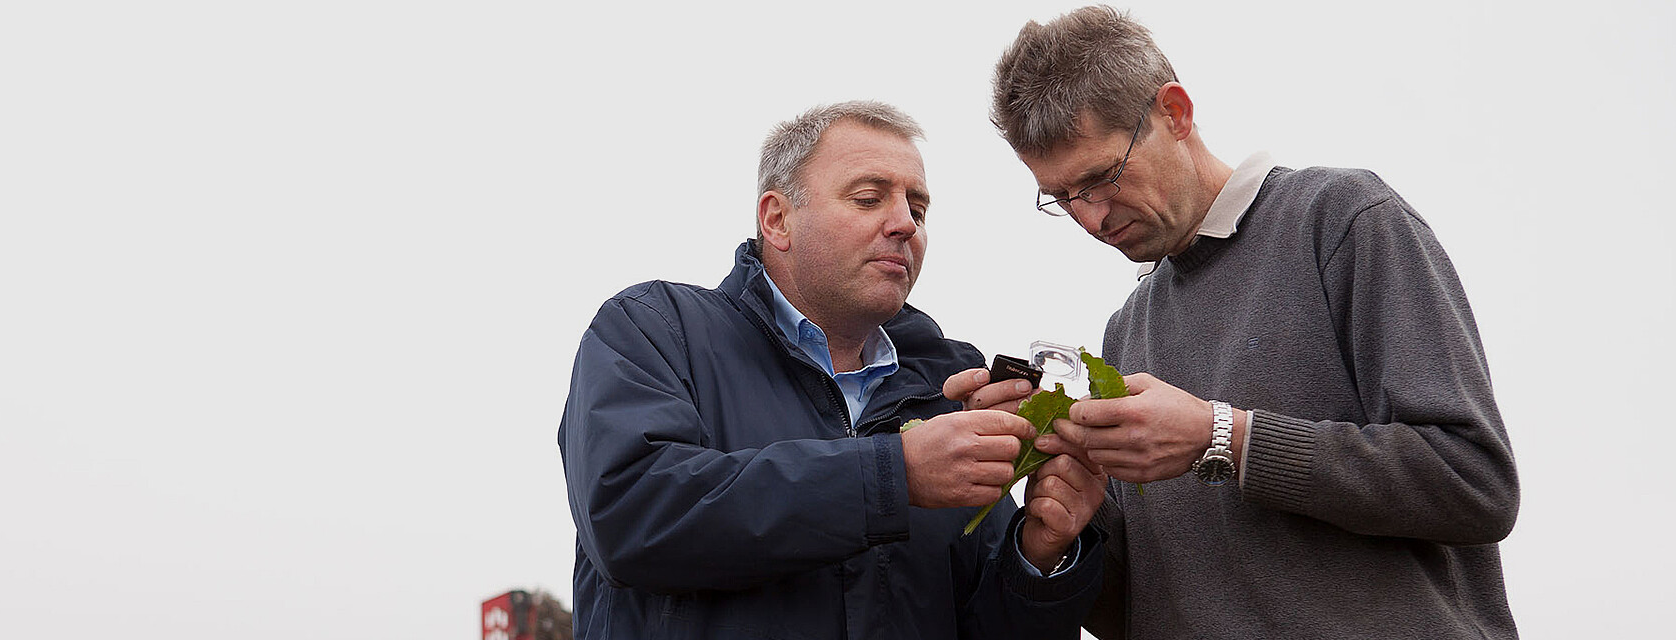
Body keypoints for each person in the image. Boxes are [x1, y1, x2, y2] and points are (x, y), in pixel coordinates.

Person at [966, 6, 1522, 638]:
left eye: (1102, 179)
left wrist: (1222, 438)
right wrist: (1064, 524)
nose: (1091, 219)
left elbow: (1473, 481)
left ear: (1173, 112)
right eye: (1061, 198)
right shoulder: (1126, 331)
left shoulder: (1342, 221)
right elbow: (1145, 611)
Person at [557, 100, 1107, 640]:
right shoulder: (654, 328)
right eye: (869, 199)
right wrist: (895, 475)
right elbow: (631, 514)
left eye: (918, 210)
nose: (904, 225)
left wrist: (1038, 553)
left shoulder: (947, 391)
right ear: (777, 220)